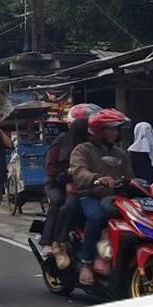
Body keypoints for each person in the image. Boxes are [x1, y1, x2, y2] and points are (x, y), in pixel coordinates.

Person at [69, 108, 134, 286]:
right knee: (96, 216)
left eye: (116, 129)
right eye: (110, 129)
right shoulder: (82, 150)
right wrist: (97, 178)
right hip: (89, 196)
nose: (115, 133)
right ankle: (87, 264)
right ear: (98, 130)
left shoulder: (120, 153)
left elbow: (130, 178)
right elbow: (78, 172)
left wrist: (148, 187)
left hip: (115, 199)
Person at [41, 111, 92, 269]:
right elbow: (50, 166)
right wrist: (64, 179)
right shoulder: (62, 141)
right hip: (56, 183)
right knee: (61, 202)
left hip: (82, 185)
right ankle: (52, 241)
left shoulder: (91, 145)